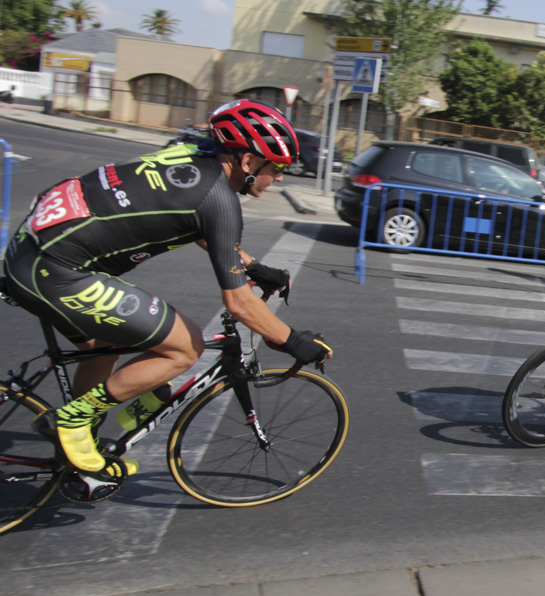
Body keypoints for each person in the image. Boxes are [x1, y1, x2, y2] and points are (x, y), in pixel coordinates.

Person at [3, 99, 333, 475]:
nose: (281, 177)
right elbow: (240, 304)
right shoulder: (220, 201)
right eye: (276, 167)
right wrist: (292, 340)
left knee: (104, 347)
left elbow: (195, 225)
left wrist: (255, 267)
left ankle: (84, 444)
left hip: (28, 255)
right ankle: (73, 420)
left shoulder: (188, 156)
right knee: (185, 346)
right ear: (247, 163)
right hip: (60, 271)